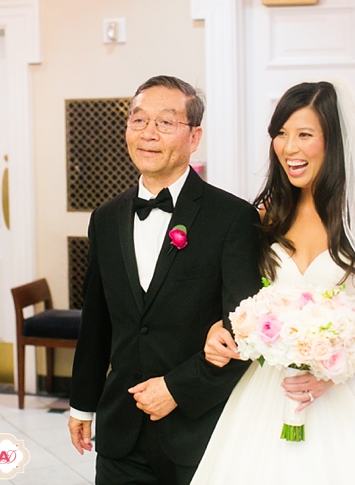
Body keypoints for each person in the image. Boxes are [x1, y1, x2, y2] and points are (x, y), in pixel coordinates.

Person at [191, 80, 355, 484]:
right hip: (271, 388)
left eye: (304, 135)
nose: (289, 148)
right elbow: (240, 297)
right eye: (281, 134)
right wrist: (221, 327)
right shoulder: (267, 214)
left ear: (334, 141)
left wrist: (333, 371)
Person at [68, 75, 261, 485]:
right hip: (121, 432)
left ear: (194, 137)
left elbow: (245, 332)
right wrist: (82, 404)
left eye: (166, 123)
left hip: (199, 430)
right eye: (138, 121)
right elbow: (97, 322)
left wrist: (176, 389)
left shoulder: (232, 218)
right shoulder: (105, 218)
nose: (148, 134)